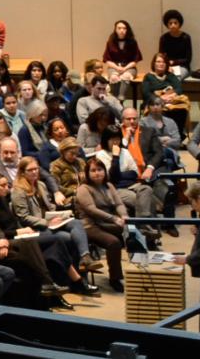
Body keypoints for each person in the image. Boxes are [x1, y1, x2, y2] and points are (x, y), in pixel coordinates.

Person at [72, 157, 128, 292]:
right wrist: (114, 218)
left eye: (100, 169)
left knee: (134, 232)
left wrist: (124, 215)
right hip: (90, 226)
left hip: (107, 223)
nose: (97, 173)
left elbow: (119, 204)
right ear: (87, 173)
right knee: (114, 242)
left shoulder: (109, 186)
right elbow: (91, 209)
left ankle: (139, 272)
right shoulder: (83, 189)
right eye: (93, 171)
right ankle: (115, 278)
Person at [141, 52, 188, 134]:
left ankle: (177, 136)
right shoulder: (148, 77)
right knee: (164, 112)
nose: (161, 64)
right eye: (158, 62)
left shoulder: (171, 76)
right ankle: (162, 136)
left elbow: (179, 88)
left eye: (163, 62)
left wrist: (173, 95)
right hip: (155, 102)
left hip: (171, 101)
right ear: (154, 63)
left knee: (182, 110)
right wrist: (160, 98)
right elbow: (146, 93)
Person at [102, 20, 142, 101]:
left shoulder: (133, 42)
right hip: (114, 67)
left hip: (129, 68)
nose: (122, 30)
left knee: (126, 76)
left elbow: (135, 60)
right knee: (114, 77)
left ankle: (121, 98)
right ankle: (114, 99)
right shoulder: (110, 42)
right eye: (119, 28)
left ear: (127, 30)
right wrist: (117, 68)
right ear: (115, 29)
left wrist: (125, 68)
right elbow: (107, 60)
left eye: (124, 28)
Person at [158, 9, 194, 74]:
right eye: (170, 23)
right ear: (167, 25)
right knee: (157, 76)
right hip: (167, 66)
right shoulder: (163, 38)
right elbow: (161, 56)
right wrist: (167, 65)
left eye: (175, 23)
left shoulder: (186, 37)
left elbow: (188, 59)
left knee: (174, 77)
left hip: (182, 67)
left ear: (179, 24)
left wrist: (173, 62)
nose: (173, 25)